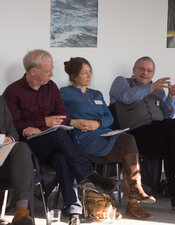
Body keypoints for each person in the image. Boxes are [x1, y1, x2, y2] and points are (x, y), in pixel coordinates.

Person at [3, 49, 120, 225]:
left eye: (52, 69)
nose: (52, 74)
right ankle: (91, 176)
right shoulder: (13, 92)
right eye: (47, 71)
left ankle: (73, 210)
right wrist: (43, 122)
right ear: (33, 71)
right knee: (58, 134)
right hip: (27, 147)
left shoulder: (50, 87)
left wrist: (42, 125)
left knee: (62, 157)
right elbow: (11, 126)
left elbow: (64, 115)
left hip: (51, 142)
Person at [109, 56, 175, 217]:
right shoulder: (122, 82)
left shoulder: (158, 89)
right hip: (134, 134)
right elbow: (126, 97)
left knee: (172, 145)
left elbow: (167, 115)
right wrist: (151, 87)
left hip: (156, 131)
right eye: (141, 69)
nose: (145, 73)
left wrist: (171, 97)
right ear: (134, 70)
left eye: (149, 70)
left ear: (153, 73)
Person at [60, 57, 156, 219]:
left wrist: (98, 123)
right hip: (83, 139)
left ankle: (135, 192)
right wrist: (74, 122)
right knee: (128, 150)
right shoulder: (64, 93)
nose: (89, 76)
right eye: (84, 73)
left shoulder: (96, 93)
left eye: (90, 72)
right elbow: (59, 116)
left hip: (103, 135)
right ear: (74, 75)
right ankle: (134, 199)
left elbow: (109, 117)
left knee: (127, 140)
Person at [0, 96, 35, 225]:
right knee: (25, 172)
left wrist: (10, 139)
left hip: (4, 155)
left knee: (22, 147)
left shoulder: (1, 100)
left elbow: (13, 133)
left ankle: (22, 212)